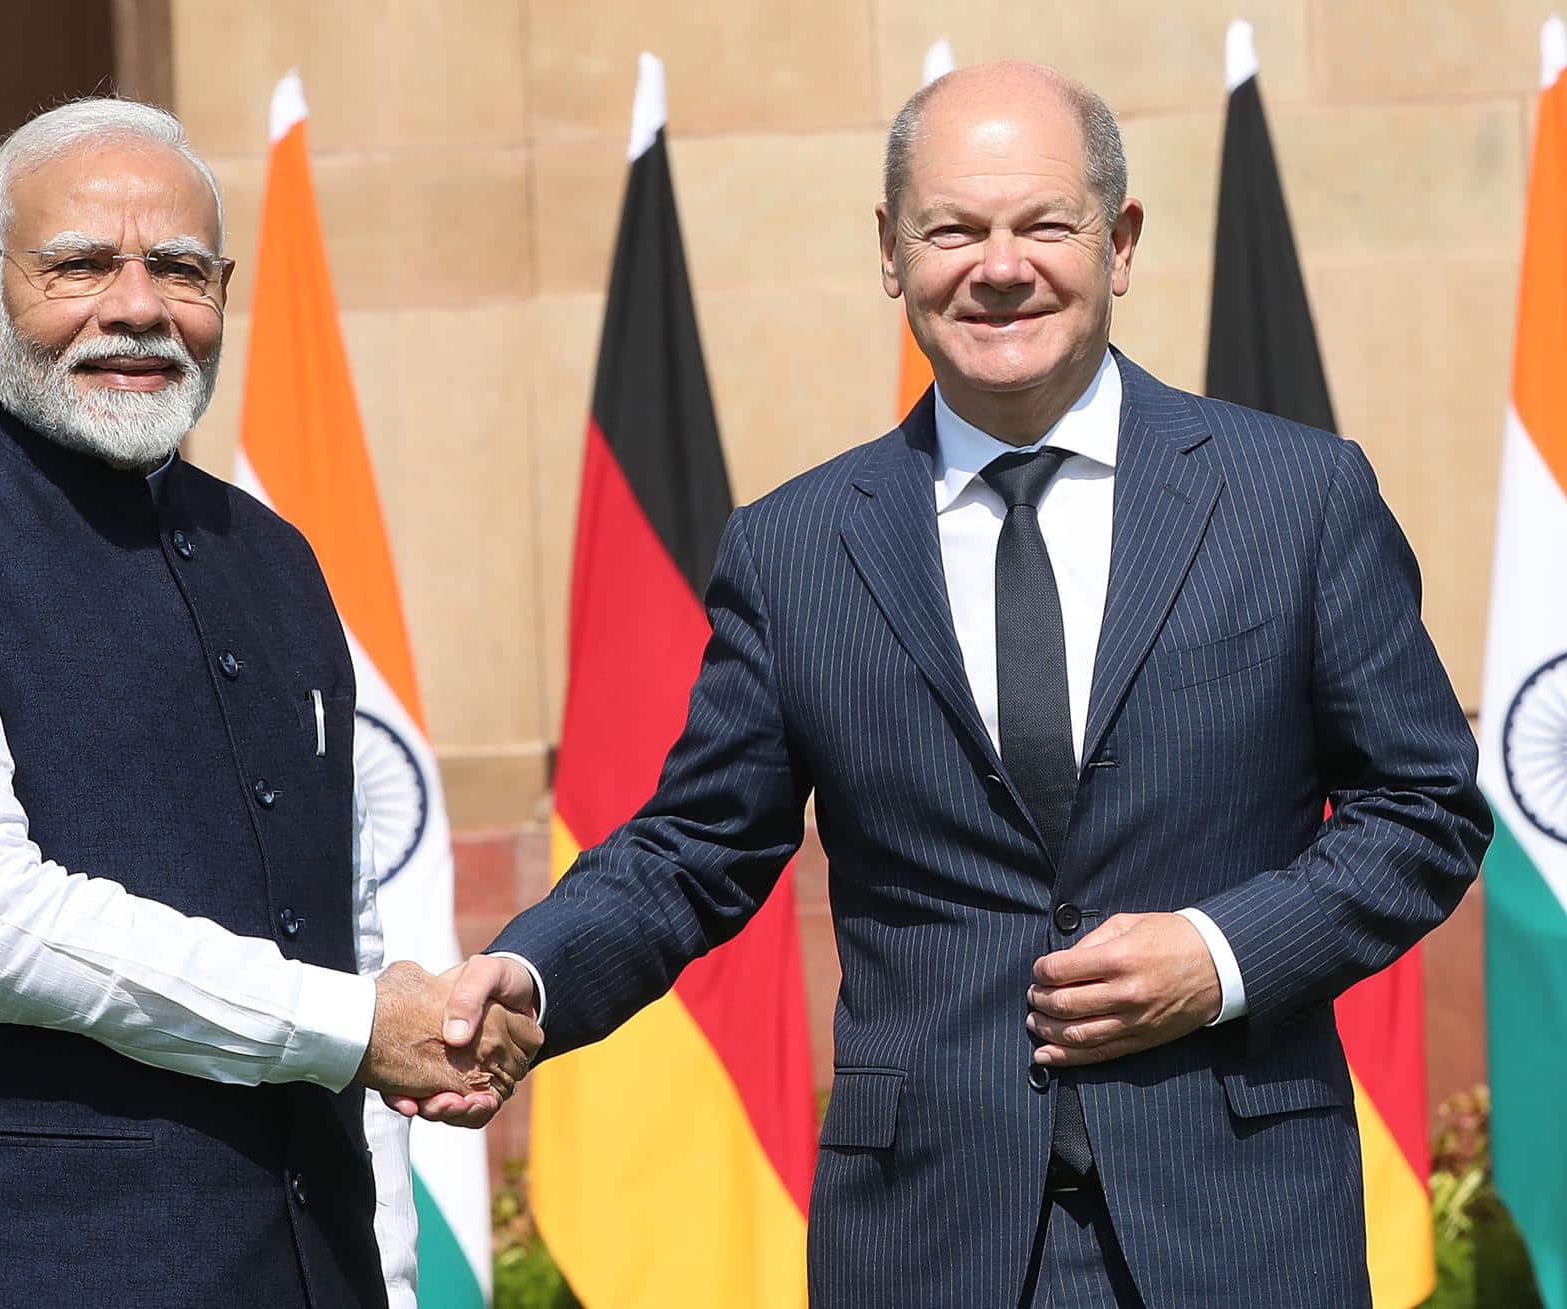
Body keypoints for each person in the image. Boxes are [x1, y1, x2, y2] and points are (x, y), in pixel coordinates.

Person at [417, 61, 1490, 1308]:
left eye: (1044, 224)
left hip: (1240, 1226)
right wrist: (534, 973)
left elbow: (1423, 809)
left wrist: (1220, 951)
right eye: (953, 228)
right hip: (927, 1241)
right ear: (890, 252)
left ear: (1121, 241)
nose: (999, 266)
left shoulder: (1296, 498)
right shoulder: (797, 547)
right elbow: (695, 847)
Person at [0, 97, 537, 1308]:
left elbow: (345, 926)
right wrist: (348, 1023)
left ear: (222, 290)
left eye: (177, 268)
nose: (135, 307)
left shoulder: (275, 558)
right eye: (78, 265)